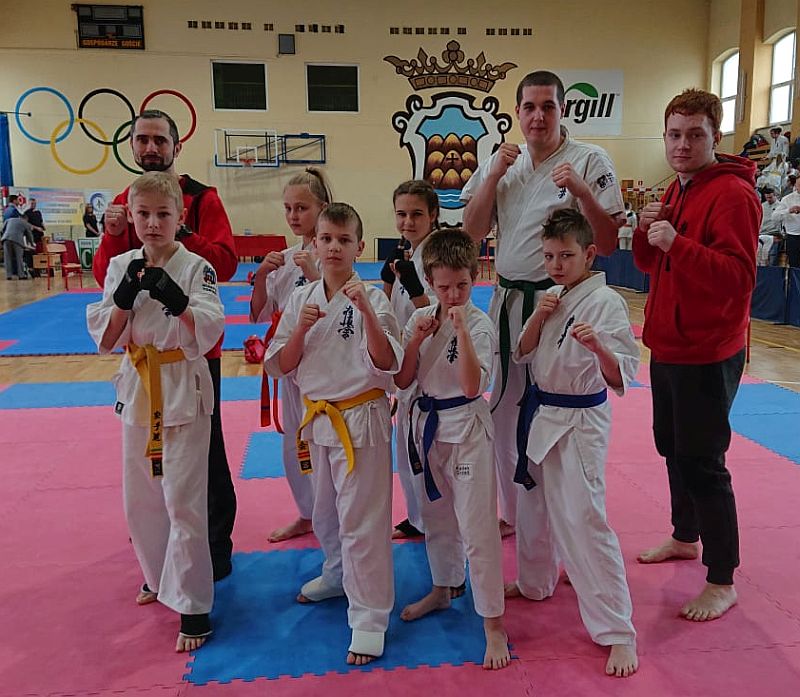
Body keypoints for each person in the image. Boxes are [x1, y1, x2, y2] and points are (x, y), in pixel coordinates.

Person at [460, 70, 624, 539]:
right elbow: (471, 234)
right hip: (510, 303)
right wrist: (493, 175)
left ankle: (573, 525)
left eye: (548, 106)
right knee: (503, 412)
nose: (538, 116)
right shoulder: (501, 161)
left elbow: (608, 242)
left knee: (562, 413)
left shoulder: (589, 159)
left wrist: (583, 191)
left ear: (563, 110)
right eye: (529, 107)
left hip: (563, 307)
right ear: (517, 112)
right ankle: (517, 514)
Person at [93, 109, 238, 582]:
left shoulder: (202, 197)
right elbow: (108, 277)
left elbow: (226, 263)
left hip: (194, 350)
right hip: (142, 357)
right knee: (144, 465)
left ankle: (213, 549)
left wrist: (181, 231)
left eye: (159, 139)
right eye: (143, 140)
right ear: (132, 146)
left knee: (206, 457)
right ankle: (157, 555)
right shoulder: (124, 202)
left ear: (177, 145)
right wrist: (114, 234)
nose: (151, 147)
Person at [86, 172, 225, 652]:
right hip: (140, 386)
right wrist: (123, 301)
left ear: (180, 217)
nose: (151, 223)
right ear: (130, 216)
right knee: (140, 497)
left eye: (163, 214)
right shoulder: (120, 265)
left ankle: (194, 606)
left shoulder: (197, 266)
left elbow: (211, 328)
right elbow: (106, 339)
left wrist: (179, 301)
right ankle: (158, 576)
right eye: (143, 214)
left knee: (184, 499)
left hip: (183, 385)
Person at [634, 89, 759, 622]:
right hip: (669, 342)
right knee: (672, 447)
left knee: (703, 461)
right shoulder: (679, 187)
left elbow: (739, 278)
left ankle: (722, 579)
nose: (682, 145)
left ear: (715, 137)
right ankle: (686, 536)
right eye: (674, 134)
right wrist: (646, 232)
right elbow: (651, 265)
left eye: (694, 135)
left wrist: (675, 243)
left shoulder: (732, 194)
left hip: (708, 350)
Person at [264, 203, 402, 666]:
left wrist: (367, 313)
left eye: (344, 240)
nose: (334, 248)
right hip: (318, 419)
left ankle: (370, 617)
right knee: (325, 513)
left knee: (363, 523)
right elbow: (281, 365)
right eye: (326, 239)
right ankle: (337, 574)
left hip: (361, 419)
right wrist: (300, 331)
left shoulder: (373, 298)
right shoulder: (302, 300)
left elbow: (388, 364)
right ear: (316, 244)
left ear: (359, 247)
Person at [506, 209, 638, 677]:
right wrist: (538, 318)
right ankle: (535, 581)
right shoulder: (553, 295)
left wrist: (598, 346)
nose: (556, 264)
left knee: (584, 520)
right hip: (543, 412)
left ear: (589, 254)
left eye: (565, 255)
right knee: (533, 504)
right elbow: (522, 354)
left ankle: (618, 631)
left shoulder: (606, 302)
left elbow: (623, 373)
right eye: (549, 256)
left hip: (580, 420)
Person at [394, 229, 509, 671]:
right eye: (444, 287)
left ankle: (493, 624)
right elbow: (404, 379)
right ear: (429, 282)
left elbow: (472, 386)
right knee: (436, 517)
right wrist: (415, 340)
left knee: (477, 529)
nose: (454, 294)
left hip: (467, 431)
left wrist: (460, 332)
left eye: (462, 285)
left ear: (475, 277)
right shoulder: (420, 319)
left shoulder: (479, 324)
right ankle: (443, 588)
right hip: (426, 428)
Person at [249, 168, 330, 542]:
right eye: (288, 208)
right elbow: (258, 314)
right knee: (293, 443)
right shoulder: (281, 260)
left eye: (302, 207)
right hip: (289, 362)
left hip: (325, 366)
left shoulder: (333, 253)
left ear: (322, 208)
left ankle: (330, 514)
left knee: (323, 443)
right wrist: (262, 276)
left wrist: (315, 274)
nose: (294, 215)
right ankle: (307, 513)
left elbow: (342, 311)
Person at [381, 180, 438, 541]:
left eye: (417, 214)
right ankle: (418, 517)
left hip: (429, 367)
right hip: (405, 365)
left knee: (424, 449)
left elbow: (436, 318)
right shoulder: (407, 255)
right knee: (405, 449)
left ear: (434, 215)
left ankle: (434, 520)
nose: (408, 222)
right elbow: (392, 315)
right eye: (401, 214)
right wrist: (388, 282)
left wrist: (416, 287)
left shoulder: (437, 257)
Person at [773, 175, 800, 267]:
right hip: (793, 236)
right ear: (795, 185)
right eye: (799, 185)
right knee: (794, 264)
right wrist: (789, 210)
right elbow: (775, 216)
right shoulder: (787, 199)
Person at [2, 212, 35, 279]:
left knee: (7, 258)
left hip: (6, 239)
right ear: (26, 219)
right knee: (19, 258)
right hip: (17, 241)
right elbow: (29, 235)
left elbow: (2, 230)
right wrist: (32, 244)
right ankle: (21, 275)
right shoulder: (25, 223)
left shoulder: (9, 220)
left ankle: (8, 276)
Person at [758, 188, 782, 266]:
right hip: (762, 233)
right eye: (767, 197)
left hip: (774, 233)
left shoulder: (781, 206)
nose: (768, 199)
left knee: (772, 255)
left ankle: (771, 271)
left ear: (775, 196)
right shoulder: (762, 206)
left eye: (770, 197)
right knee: (759, 255)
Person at [23, 198, 46, 277]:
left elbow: (41, 221)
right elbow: (27, 224)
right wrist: (36, 228)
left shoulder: (38, 212)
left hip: (40, 235)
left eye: (35, 204)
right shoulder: (26, 213)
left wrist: (43, 226)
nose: (33, 205)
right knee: (32, 252)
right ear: (28, 204)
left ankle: (40, 267)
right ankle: (32, 268)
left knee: (41, 251)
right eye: (32, 203)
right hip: (32, 235)